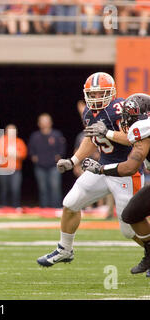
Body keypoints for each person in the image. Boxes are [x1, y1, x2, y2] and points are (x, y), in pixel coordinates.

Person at [37, 72, 144, 268]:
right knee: (70, 203)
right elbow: (91, 138)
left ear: (111, 93)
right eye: (92, 94)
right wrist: (74, 160)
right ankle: (65, 249)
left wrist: (108, 132)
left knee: (129, 228)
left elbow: (133, 137)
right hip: (101, 168)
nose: (96, 98)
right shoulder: (88, 112)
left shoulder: (120, 109)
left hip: (125, 171)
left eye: (100, 93)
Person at [81, 93, 150, 276]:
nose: (125, 120)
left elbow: (129, 167)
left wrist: (100, 169)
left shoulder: (143, 128)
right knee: (131, 214)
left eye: (129, 115)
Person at [29, 113, 66, 208]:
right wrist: (33, 156)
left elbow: (62, 147)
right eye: (42, 122)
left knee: (55, 187)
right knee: (43, 189)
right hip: (40, 166)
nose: (44, 124)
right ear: (39, 123)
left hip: (54, 166)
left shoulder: (56, 134)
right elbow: (30, 149)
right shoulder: (35, 136)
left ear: (50, 123)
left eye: (46, 121)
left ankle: (56, 208)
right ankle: (44, 208)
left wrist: (59, 156)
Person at [0, 124, 27, 208]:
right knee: (4, 190)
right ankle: (3, 207)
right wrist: (8, 153)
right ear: (6, 131)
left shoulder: (19, 141)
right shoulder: (1, 141)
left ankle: (15, 207)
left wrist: (16, 154)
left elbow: (23, 154)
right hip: (3, 169)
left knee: (15, 189)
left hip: (16, 170)